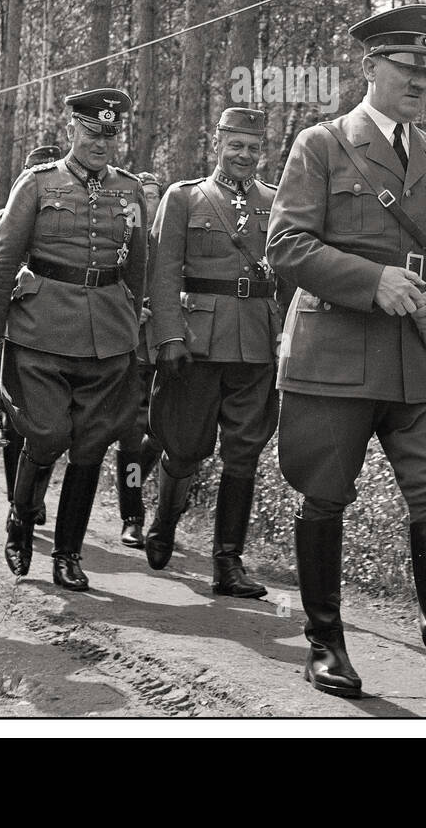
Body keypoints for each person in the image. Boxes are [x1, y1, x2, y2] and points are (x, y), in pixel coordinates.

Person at [267, 5, 426, 718]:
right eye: (407, 68)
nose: (419, 81)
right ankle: (326, 644)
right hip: (337, 357)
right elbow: (285, 246)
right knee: (323, 495)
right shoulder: (321, 145)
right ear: (370, 68)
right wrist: (370, 280)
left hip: (420, 359)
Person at [0, 90, 146, 592]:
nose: (101, 143)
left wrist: (133, 324)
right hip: (40, 331)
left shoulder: (130, 190)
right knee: (47, 434)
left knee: (92, 444)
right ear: (72, 128)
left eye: (110, 135)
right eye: (92, 132)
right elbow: (3, 261)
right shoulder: (37, 183)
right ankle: (21, 517)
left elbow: (138, 266)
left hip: (107, 337)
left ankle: (69, 554)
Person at [145, 110, 280, 597]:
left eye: (252, 146)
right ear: (218, 142)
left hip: (257, 343)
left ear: (262, 148)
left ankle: (228, 563)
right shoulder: (184, 198)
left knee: (244, 453)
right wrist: (168, 336)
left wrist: (284, 335)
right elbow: (163, 272)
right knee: (183, 446)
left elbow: (287, 272)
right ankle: (163, 520)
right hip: (197, 342)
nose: (243, 155)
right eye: (235, 144)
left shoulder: (277, 200)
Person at [0, 144, 62, 524]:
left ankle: (34, 493)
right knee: (15, 421)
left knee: (53, 423)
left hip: (54, 331)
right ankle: (18, 497)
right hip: (13, 330)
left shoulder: (65, 221)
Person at [115, 171, 163, 548]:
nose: (149, 202)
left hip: (166, 350)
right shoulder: (123, 239)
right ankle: (132, 516)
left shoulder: (169, 241)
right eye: (142, 196)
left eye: (154, 195)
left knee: (163, 435)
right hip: (128, 350)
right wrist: (130, 311)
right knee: (131, 436)